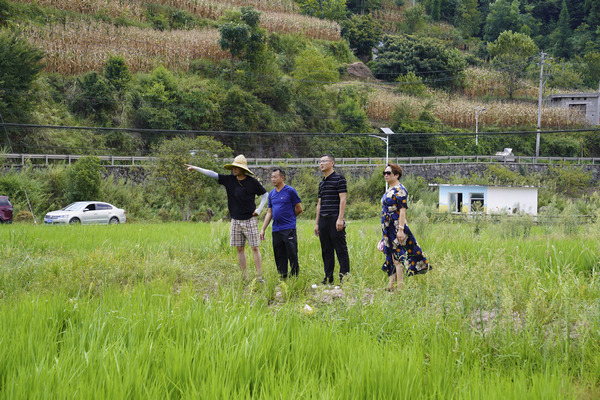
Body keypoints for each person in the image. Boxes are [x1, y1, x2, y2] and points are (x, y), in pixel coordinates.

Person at [185, 155, 268, 281]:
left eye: (237, 167)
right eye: (233, 167)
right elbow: (212, 174)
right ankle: (244, 276)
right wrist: (196, 168)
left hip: (249, 219)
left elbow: (265, 194)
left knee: (255, 247)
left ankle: (259, 275)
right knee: (240, 248)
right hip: (235, 220)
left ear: (243, 169)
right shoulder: (229, 180)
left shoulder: (252, 182)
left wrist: (259, 209)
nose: (234, 169)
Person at [380, 164, 430, 291]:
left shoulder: (400, 190)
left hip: (396, 226)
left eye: (388, 173)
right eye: (384, 173)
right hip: (387, 227)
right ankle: (391, 286)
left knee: (398, 258)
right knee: (390, 256)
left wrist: (401, 230)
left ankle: (399, 288)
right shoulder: (390, 189)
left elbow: (402, 211)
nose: (386, 175)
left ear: (396, 175)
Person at [259, 168, 303, 278]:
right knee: (279, 255)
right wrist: (263, 228)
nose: (272, 179)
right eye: (271, 177)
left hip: (288, 229)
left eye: (275, 177)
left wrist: (290, 218)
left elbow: (299, 209)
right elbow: (270, 212)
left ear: (282, 178)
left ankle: (294, 278)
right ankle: (283, 278)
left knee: (292, 254)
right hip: (276, 229)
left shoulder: (290, 191)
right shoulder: (272, 194)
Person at [314, 154, 350, 285]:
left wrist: (340, 219)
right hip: (323, 220)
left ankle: (344, 279)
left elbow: (343, 199)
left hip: (335, 219)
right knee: (326, 250)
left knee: (340, 249)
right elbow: (319, 203)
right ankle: (328, 278)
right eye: (320, 161)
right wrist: (317, 223)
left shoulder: (339, 179)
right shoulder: (322, 182)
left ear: (332, 163)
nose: (321, 163)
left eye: (324, 161)